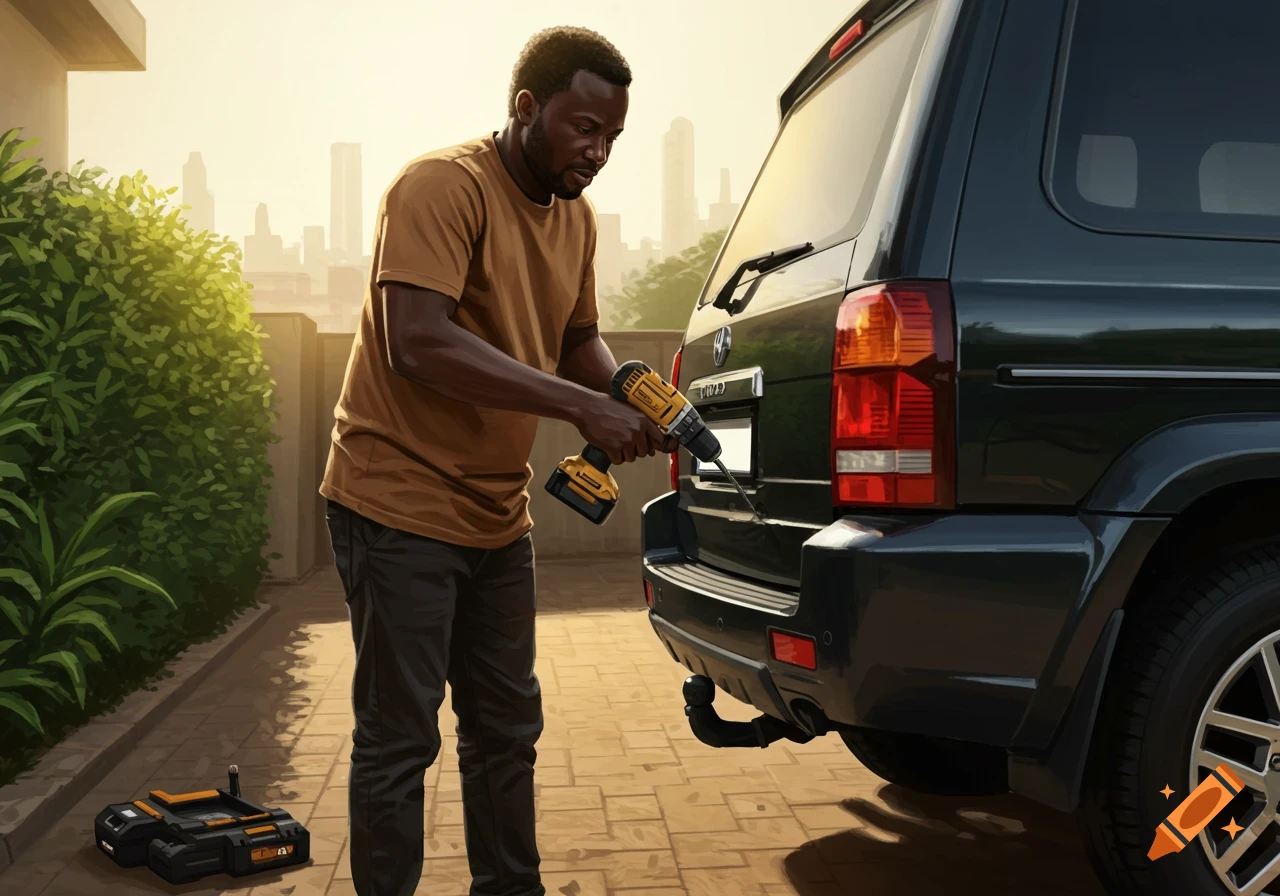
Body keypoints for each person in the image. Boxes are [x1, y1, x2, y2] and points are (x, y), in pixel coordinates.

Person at [319, 25, 670, 896]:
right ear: (527, 108)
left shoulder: (577, 220)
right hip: (394, 499)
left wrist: (631, 395)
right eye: (584, 128)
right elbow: (417, 341)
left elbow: (578, 340)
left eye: (613, 138)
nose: (598, 152)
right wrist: (580, 405)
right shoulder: (442, 187)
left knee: (507, 728)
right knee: (401, 739)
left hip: (495, 513)